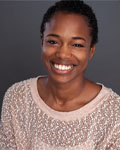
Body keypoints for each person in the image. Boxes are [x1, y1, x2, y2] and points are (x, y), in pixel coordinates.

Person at [0, 0, 120, 149]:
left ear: (91, 51)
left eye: (77, 44)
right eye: (53, 41)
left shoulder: (114, 112)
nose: (63, 54)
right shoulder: (17, 98)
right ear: (42, 43)